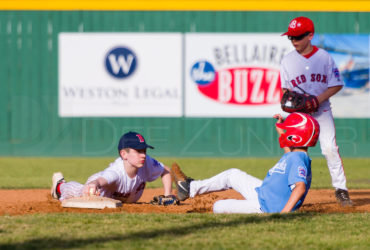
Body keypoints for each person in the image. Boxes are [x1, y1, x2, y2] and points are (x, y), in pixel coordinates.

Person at [172, 112, 320, 214]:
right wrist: (281, 131)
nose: (285, 132)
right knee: (232, 174)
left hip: (265, 207)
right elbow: (288, 152)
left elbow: (299, 188)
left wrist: (283, 214)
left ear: (295, 137)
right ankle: (190, 188)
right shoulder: (295, 156)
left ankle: (195, 192)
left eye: (288, 131)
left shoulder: (298, 159)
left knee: (218, 207)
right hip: (263, 193)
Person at [280, 16, 352, 206]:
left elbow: (337, 84)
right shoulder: (287, 61)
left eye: (298, 37)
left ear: (310, 35)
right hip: (299, 114)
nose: (294, 41)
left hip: (322, 111)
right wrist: (288, 107)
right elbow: (285, 92)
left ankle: (341, 189)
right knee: (297, 152)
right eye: (291, 37)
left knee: (329, 148)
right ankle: (293, 190)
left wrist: (317, 99)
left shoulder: (324, 58)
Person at [51, 131, 173, 203]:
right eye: (138, 151)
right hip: (99, 187)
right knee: (82, 192)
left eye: (144, 150)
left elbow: (165, 170)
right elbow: (100, 180)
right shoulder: (116, 172)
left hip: (119, 196)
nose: (143, 155)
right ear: (124, 154)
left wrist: (168, 195)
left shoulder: (146, 162)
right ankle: (59, 186)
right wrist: (93, 184)